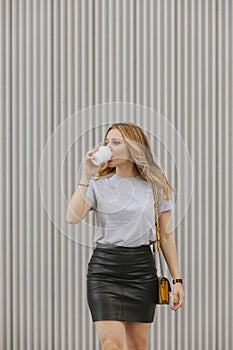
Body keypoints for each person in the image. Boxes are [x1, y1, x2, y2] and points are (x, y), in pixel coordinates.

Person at [66, 122, 184, 350]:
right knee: (112, 344)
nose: (108, 147)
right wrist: (86, 175)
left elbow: (167, 236)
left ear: (134, 148)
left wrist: (177, 280)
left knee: (138, 346)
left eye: (116, 142)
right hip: (104, 271)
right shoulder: (98, 185)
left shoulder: (156, 187)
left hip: (141, 271)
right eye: (106, 142)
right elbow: (72, 218)